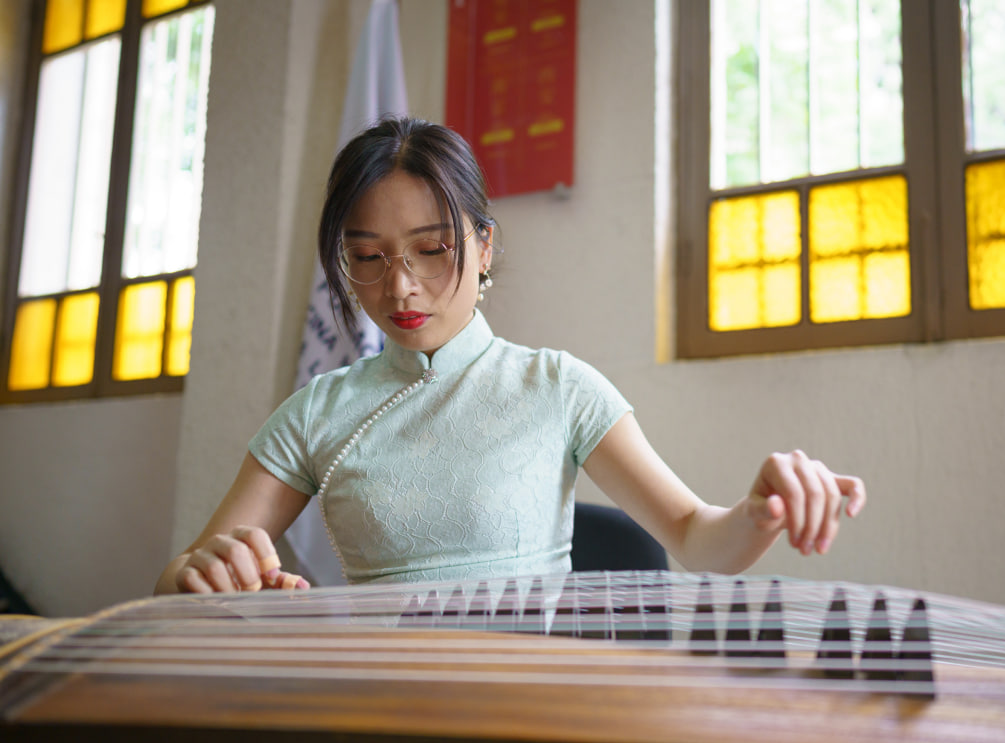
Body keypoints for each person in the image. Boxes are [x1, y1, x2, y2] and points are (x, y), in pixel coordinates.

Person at [155, 117, 866, 596]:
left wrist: (760, 510)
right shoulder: (318, 411)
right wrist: (205, 575)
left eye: (433, 250)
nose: (400, 285)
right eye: (367, 257)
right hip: (379, 715)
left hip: (526, 718)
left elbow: (695, 536)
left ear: (485, 245)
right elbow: (178, 581)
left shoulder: (556, 386)